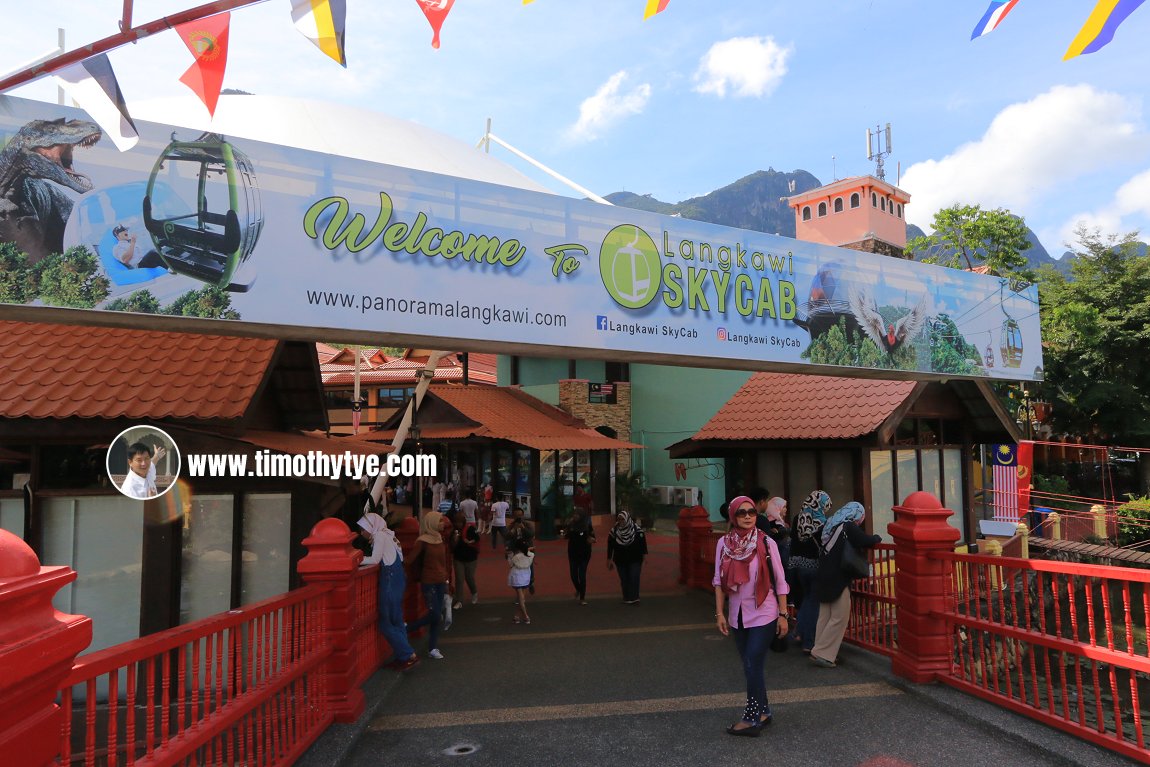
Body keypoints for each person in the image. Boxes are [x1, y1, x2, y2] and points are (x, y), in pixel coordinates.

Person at [713, 494, 790, 737]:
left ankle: (751, 717)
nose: (747, 516)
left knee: (752, 662)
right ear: (733, 516)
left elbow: (780, 580)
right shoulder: (723, 544)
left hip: (764, 613)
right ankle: (765, 710)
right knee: (750, 667)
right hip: (737, 615)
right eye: (741, 512)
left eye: (751, 512)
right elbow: (718, 581)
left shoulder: (767, 543)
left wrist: (783, 614)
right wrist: (719, 613)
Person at [809, 501, 882, 669]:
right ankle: (823, 653)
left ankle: (818, 650)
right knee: (840, 616)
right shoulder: (847, 526)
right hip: (837, 576)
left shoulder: (830, 524)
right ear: (856, 514)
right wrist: (877, 538)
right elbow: (865, 540)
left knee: (825, 615)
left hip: (823, 573)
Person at [358, 512, 419, 671]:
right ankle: (403, 657)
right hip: (398, 580)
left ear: (371, 527)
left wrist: (356, 559)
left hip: (389, 581)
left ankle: (408, 654)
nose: (361, 532)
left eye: (363, 528)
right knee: (397, 620)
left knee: (386, 623)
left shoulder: (379, 536)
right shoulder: (390, 535)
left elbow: (374, 559)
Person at [405, 510, 451, 660]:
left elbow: (444, 563)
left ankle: (433, 647)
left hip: (440, 581)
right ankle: (408, 628)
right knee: (436, 615)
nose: (442, 523)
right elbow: (409, 560)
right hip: (428, 582)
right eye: (439, 521)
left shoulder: (440, 538)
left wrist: (447, 582)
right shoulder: (422, 541)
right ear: (431, 523)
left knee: (435, 616)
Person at [789, 490, 830, 654]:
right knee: (814, 604)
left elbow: (793, 541)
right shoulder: (823, 522)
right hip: (815, 566)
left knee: (807, 599)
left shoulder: (797, 518)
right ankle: (809, 642)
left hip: (798, 566)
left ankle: (799, 632)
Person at [606, 509, 647, 604]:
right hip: (620, 559)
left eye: (622, 519)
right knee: (624, 578)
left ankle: (635, 597)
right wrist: (609, 559)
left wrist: (644, 558)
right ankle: (627, 597)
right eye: (619, 519)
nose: (620, 521)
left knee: (634, 576)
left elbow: (643, 545)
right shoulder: (614, 531)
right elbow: (610, 546)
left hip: (635, 558)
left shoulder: (637, 531)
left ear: (627, 519)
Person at [563, 507, 596, 604]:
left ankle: (582, 597)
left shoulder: (587, 525)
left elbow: (593, 537)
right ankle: (579, 589)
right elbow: (566, 536)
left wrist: (591, 540)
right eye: (574, 514)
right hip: (573, 552)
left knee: (582, 575)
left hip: (584, 553)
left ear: (582, 516)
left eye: (577, 514)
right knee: (573, 575)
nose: (575, 516)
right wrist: (568, 525)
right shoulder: (571, 525)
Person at [450, 510, 480, 609]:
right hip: (458, 558)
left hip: (471, 558)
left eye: (459, 522)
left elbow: (477, 538)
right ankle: (459, 600)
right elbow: (451, 546)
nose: (458, 524)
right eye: (456, 522)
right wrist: (454, 540)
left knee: (469, 577)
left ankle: (474, 592)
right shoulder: (453, 531)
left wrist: (469, 541)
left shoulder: (470, 529)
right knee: (459, 579)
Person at [508, 538, 534, 624]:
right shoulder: (531, 554)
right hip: (526, 576)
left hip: (517, 576)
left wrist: (509, 556)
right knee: (522, 598)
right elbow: (527, 553)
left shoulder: (515, 556)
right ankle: (517, 616)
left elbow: (511, 564)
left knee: (520, 598)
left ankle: (526, 616)